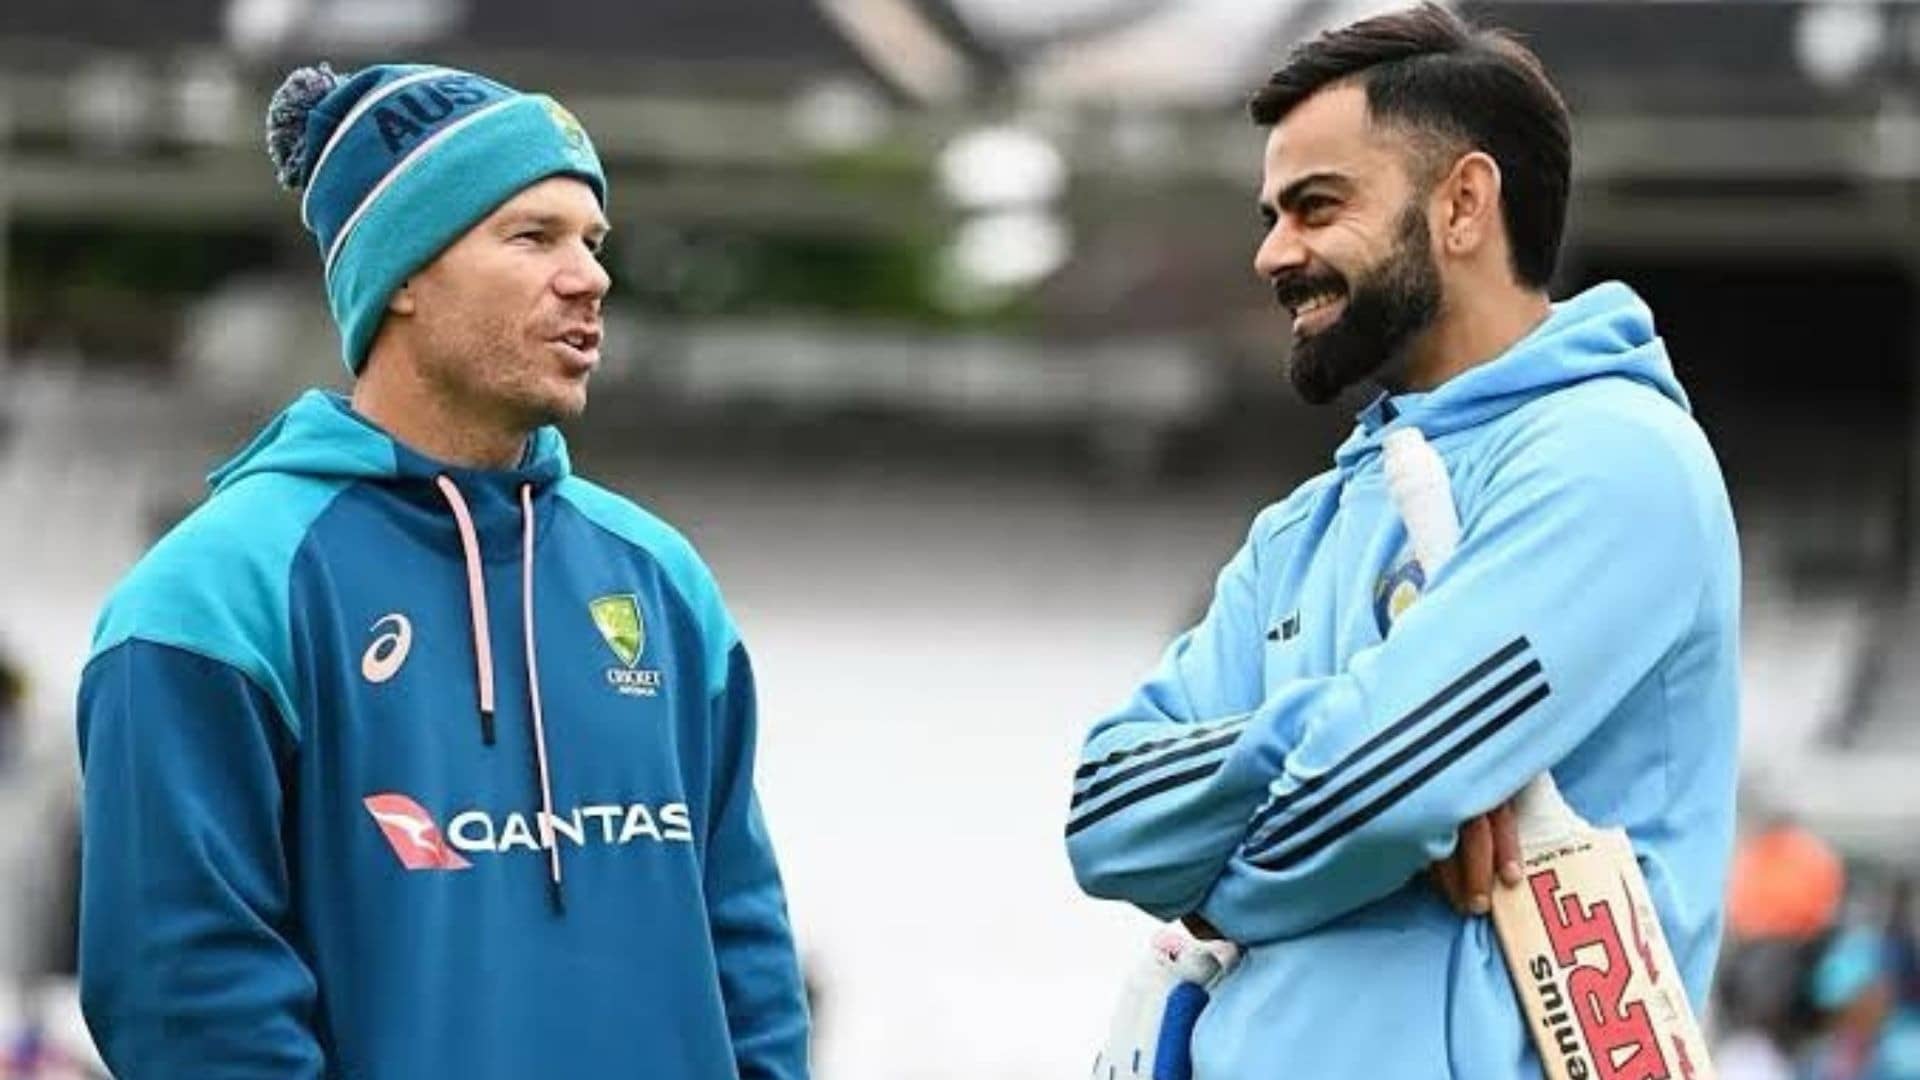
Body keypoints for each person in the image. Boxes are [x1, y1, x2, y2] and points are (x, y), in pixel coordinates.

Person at [75, 63, 808, 1079]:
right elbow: (187, 999)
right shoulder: (215, 596)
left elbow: (746, 949)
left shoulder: (659, 577)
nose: (589, 278)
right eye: (533, 236)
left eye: (591, 241)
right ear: (404, 276)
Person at [1063, 5, 1739, 1076]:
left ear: (1463, 203)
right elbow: (1105, 816)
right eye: (1274, 215)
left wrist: (1234, 868)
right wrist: (1380, 768)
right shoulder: (1302, 527)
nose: (1273, 253)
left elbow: (1379, 791)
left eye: (1317, 206)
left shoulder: (1614, 457)